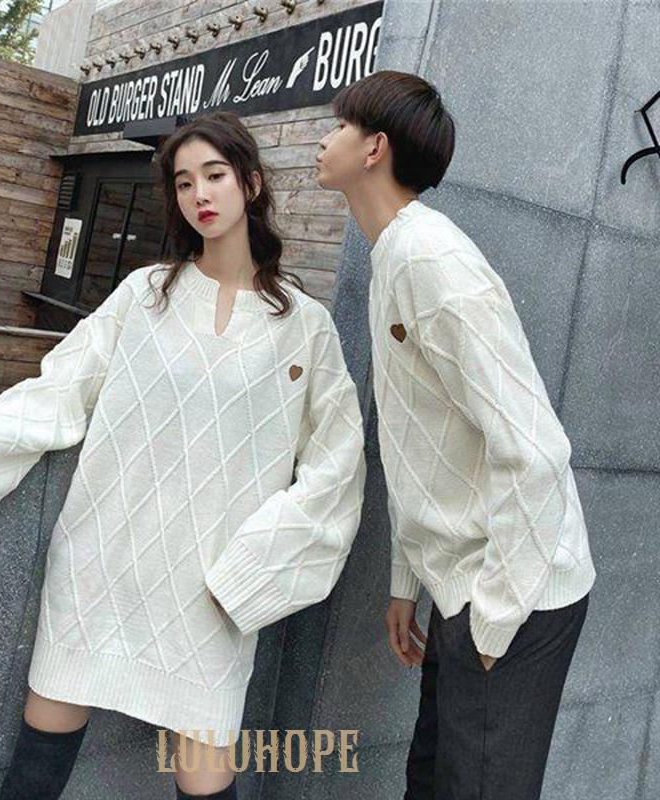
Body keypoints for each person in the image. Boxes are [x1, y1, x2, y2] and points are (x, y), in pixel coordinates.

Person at [0, 110, 367, 800]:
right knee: (36, 768)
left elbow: (338, 467)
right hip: (102, 567)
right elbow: (57, 391)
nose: (200, 193)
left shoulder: (305, 326)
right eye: (184, 182)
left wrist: (255, 572)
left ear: (251, 183)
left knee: (205, 779)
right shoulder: (143, 296)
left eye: (215, 175)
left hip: (213, 592)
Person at [314, 70, 597, 799]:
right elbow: (417, 442)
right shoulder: (394, 255)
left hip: (516, 591)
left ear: (374, 148)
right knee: (431, 782)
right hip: (468, 586)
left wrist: (493, 623)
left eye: (339, 125)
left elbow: (536, 449)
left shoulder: (432, 261)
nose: (324, 138)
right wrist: (407, 584)